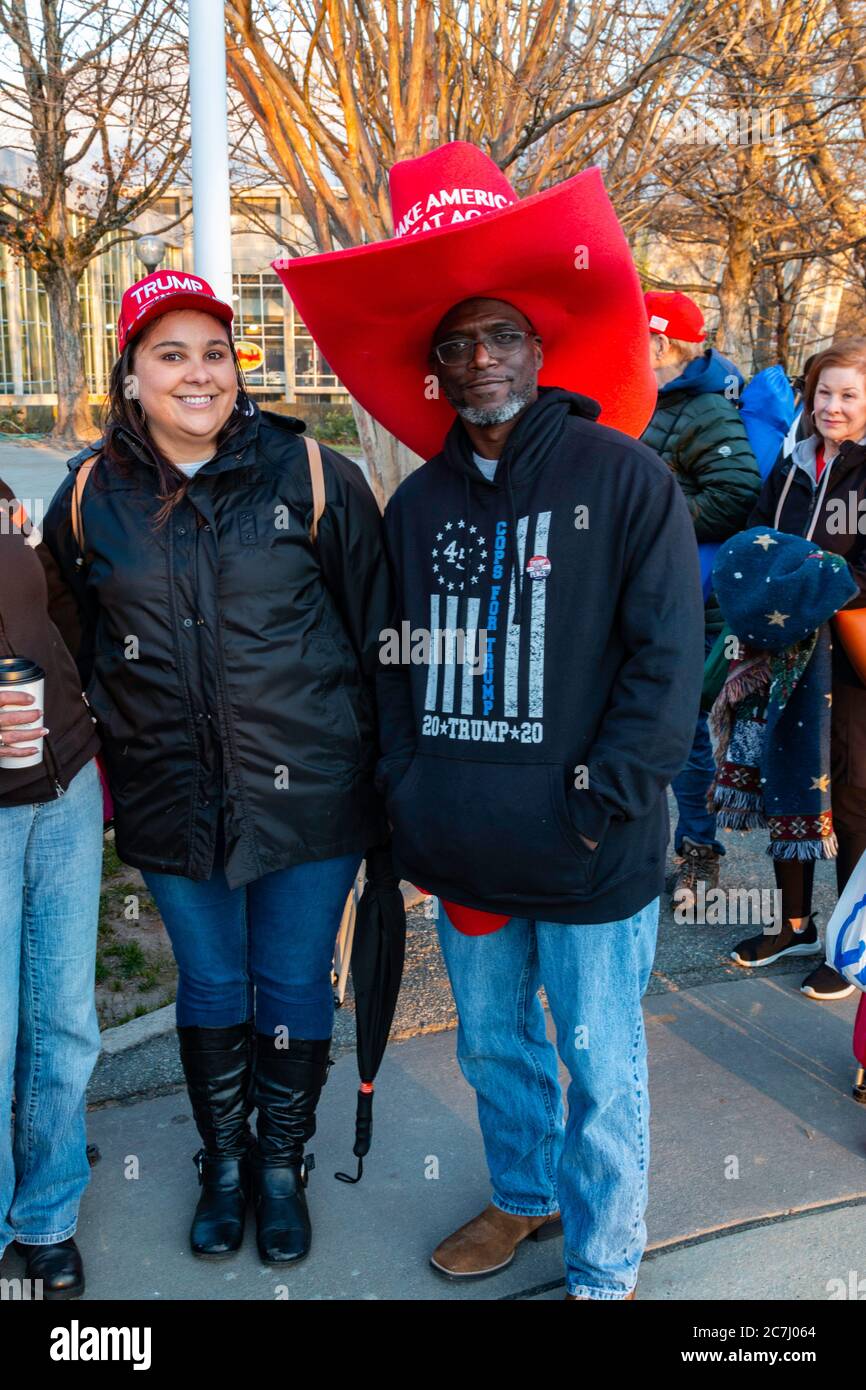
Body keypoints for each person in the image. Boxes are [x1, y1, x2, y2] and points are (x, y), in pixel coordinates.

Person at [276, 142, 704, 1300]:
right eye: (454, 346)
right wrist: (414, 799)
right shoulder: (415, 503)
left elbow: (667, 664)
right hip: (463, 843)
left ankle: (605, 1263)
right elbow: (394, 669)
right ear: (438, 370)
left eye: (498, 337)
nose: (476, 361)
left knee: (602, 1065)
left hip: (586, 845)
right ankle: (524, 1198)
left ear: (537, 346)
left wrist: (598, 798)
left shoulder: (626, 481)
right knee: (491, 1046)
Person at [42, 271, 394, 1266]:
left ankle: (278, 1166)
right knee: (210, 978)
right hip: (170, 792)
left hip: (312, 793)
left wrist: (389, 787)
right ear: (131, 373)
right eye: (170, 353)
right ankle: (223, 1166)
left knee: (288, 979)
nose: (197, 373)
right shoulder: (84, 496)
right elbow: (70, 646)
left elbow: (378, 641)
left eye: (213, 351)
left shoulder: (314, 476)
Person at [727, 337, 866, 1001]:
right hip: (785, 657)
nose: (832, 406)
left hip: (851, 663)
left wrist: (803, 584)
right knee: (787, 786)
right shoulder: (790, 465)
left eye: (848, 395)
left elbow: (860, 575)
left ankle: (850, 946)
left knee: (851, 798)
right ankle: (792, 925)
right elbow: (754, 541)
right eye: (824, 393)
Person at [0, 480, 103, 1298]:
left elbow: (51, 627)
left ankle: (46, 1214)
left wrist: (37, 556)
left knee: (62, 1020)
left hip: (62, 786)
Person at [642, 291, 761, 909]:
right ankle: (640, 851)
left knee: (685, 734)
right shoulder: (650, 401)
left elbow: (738, 491)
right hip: (645, 595)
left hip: (689, 601)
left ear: (660, 344)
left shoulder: (705, 410)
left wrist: (649, 517)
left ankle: (698, 856)